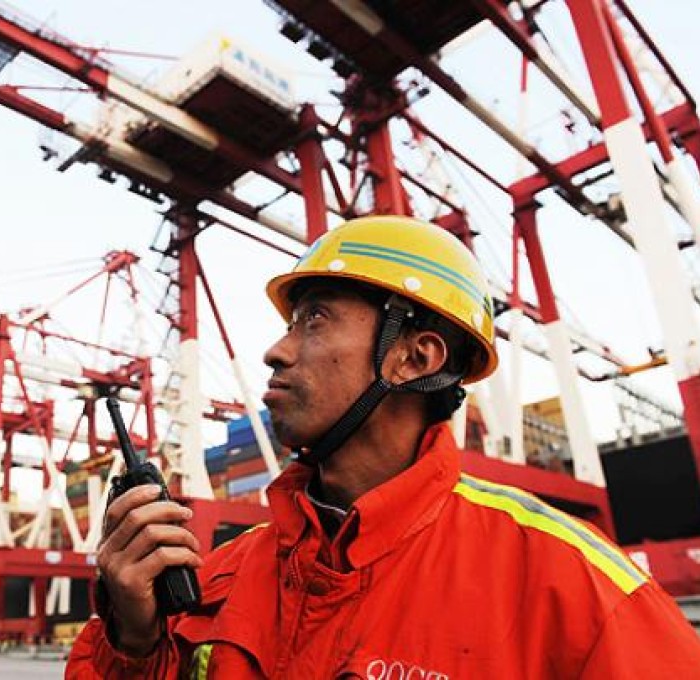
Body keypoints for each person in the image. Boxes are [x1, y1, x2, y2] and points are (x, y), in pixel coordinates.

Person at [66, 216, 700, 678]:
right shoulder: (217, 578)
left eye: (313, 319)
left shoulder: (577, 588)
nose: (277, 350)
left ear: (414, 356)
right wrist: (134, 640)